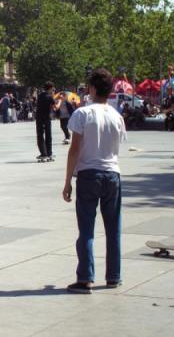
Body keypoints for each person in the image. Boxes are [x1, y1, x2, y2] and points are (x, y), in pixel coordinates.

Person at [62, 68, 127, 294]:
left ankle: (85, 278)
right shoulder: (117, 116)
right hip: (112, 174)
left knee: (87, 230)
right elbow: (116, 148)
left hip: (89, 174)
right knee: (113, 230)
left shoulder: (82, 113)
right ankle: (113, 276)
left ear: (91, 89)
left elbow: (74, 150)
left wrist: (68, 181)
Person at [35, 82, 55, 161]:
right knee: (48, 135)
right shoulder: (50, 97)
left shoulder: (39, 96)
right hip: (47, 118)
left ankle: (43, 153)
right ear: (50, 88)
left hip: (39, 117)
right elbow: (55, 107)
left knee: (40, 135)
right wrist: (59, 100)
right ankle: (49, 153)